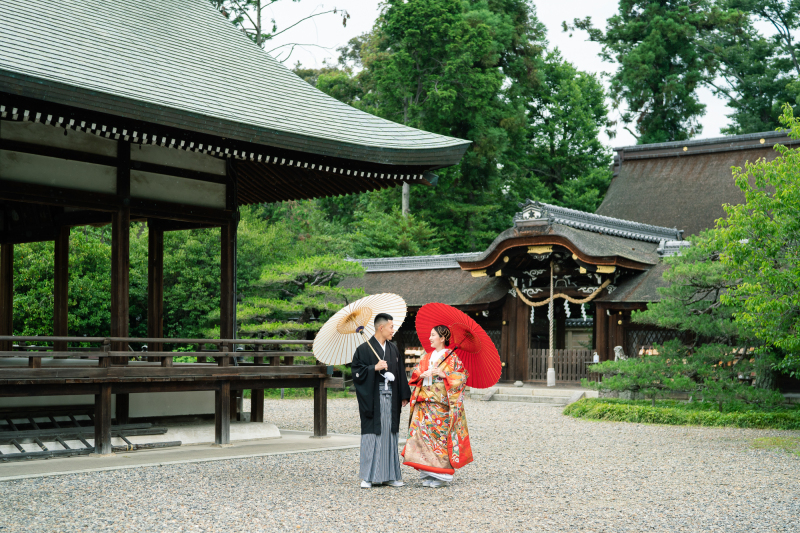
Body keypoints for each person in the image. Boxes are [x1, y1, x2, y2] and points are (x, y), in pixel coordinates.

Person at [402, 325, 472, 487]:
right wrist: (421, 374)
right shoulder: (427, 356)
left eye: (433, 335)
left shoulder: (452, 357)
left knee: (439, 438)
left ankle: (441, 476)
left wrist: (444, 374)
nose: (430, 338)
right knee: (423, 437)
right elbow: (415, 373)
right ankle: (428, 473)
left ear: (442, 338)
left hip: (441, 405)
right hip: (424, 403)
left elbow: (462, 377)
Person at [351, 312, 411, 488]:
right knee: (373, 434)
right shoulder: (363, 349)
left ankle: (390, 475)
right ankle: (368, 477)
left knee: (390, 434)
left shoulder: (393, 349)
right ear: (381, 327)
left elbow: (400, 372)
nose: (394, 330)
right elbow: (356, 373)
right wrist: (373, 368)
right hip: (373, 398)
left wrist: (403, 394)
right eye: (391, 327)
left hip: (391, 398)